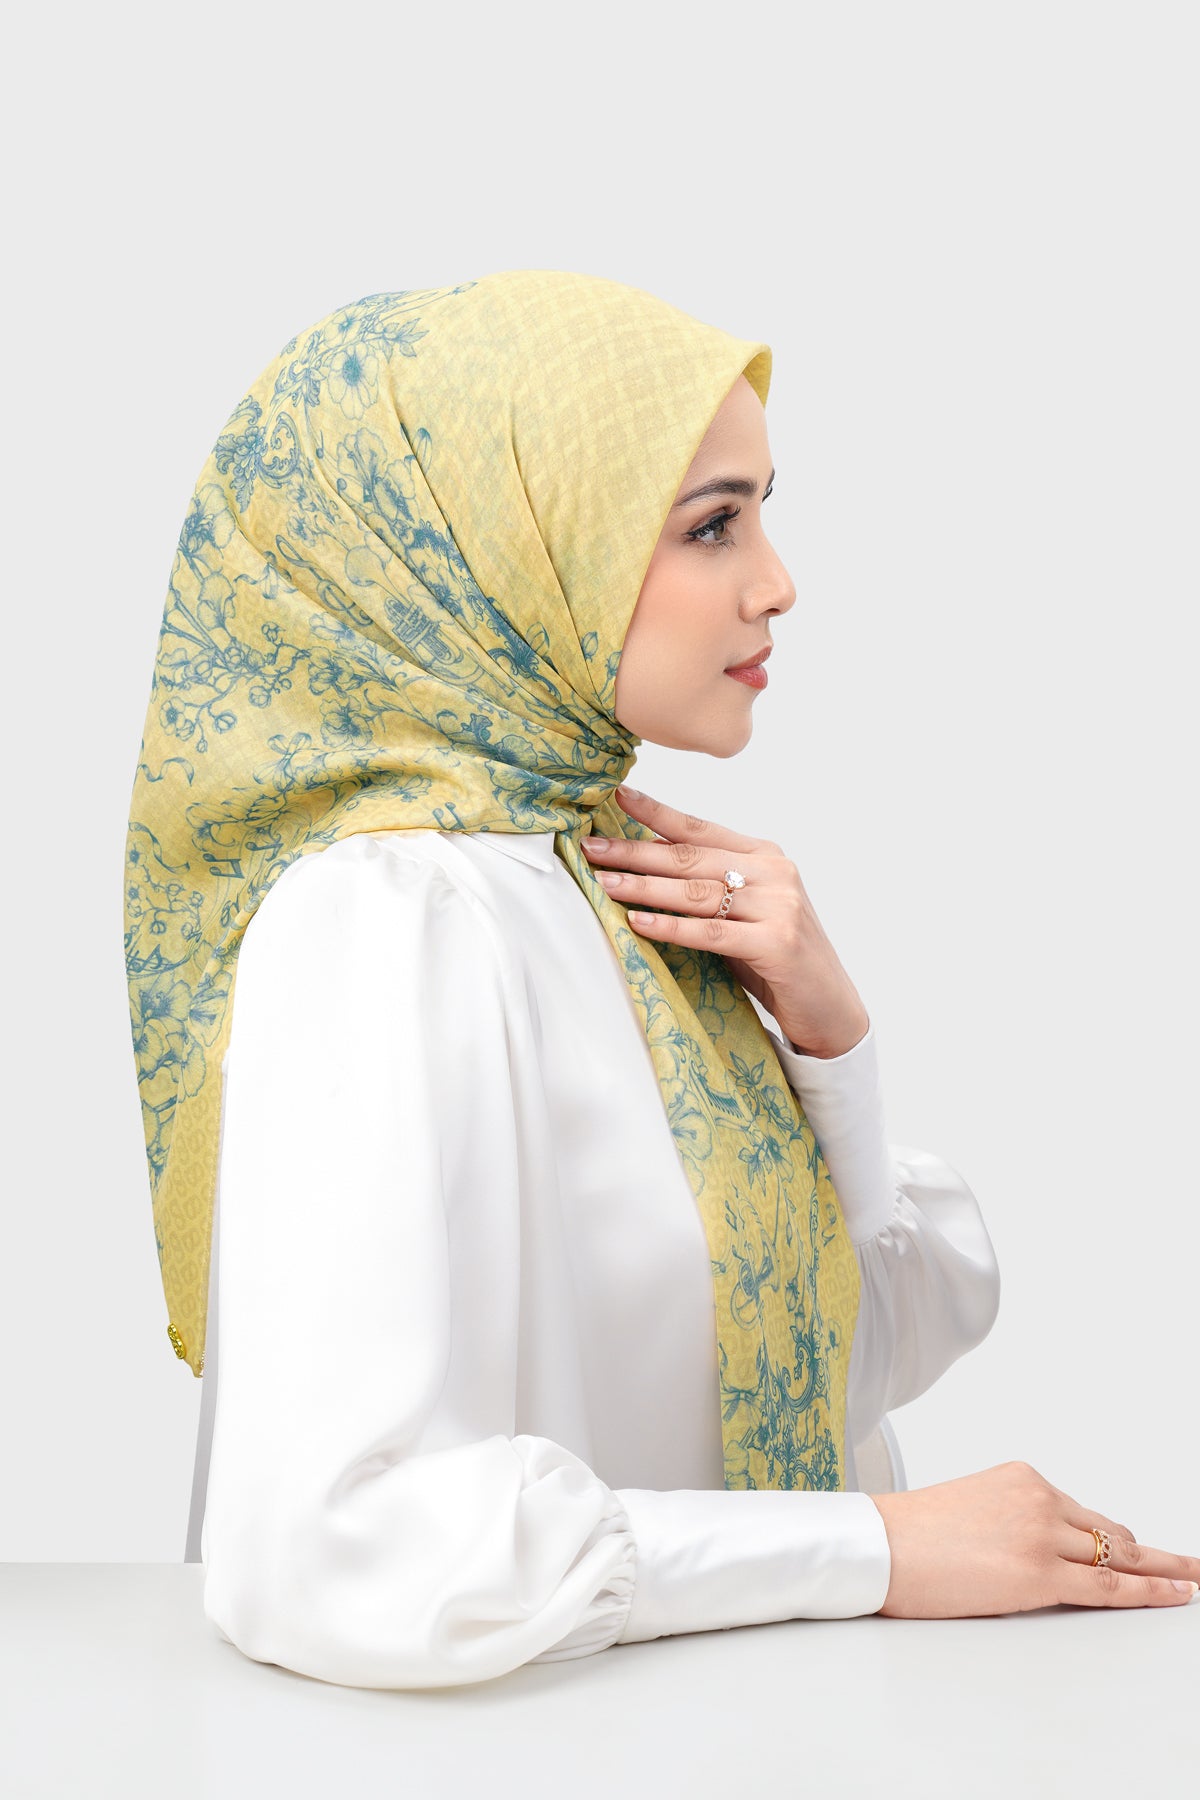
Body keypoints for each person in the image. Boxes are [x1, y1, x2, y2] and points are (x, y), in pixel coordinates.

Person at [124, 271, 1200, 1692]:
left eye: (761, 511)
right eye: (711, 525)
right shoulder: (386, 921)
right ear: (502, 553)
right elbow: (339, 1550)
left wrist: (832, 1040)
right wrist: (876, 1550)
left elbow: (849, 1351)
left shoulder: (610, 875)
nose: (777, 581)